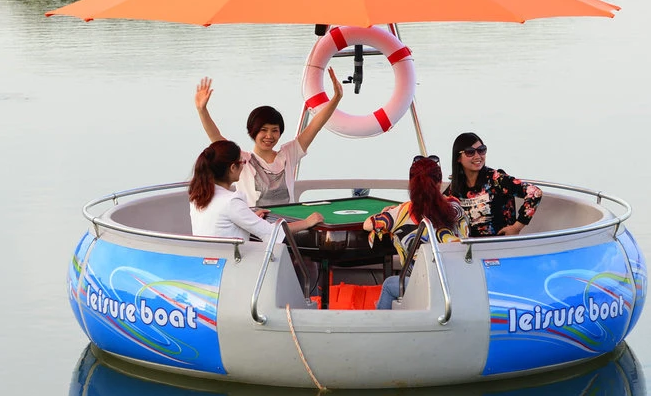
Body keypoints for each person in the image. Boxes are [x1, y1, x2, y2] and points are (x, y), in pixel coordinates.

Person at [194, 70, 344, 208]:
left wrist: (336, 98)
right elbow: (216, 138)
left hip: (287, 225)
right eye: (263, 130)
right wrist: (202, 110)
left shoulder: (289, 154)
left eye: (275, 131)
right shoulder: (242, 160)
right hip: (255, 227)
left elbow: (314, 126)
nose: (269, 136)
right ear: (252, 131)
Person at [363, 155, 469, 310]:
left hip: (422, 288)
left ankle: (381, 328)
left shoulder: (401, 213)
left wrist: (388, 213)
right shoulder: (456, 210)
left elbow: (368, 224)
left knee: (389, 284)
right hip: (455, 284)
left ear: (411, 184)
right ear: (439, 183)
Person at [189, 140, 323, 240]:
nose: (243, 167)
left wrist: (251, 217)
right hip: (233, 267)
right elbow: (272, 233)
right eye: (242, 163)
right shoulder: (231, 202)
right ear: (232, 168)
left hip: (208, 266)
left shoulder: (197, 197)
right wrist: (307, 222)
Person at [444, 132, 542, 237]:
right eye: (470, 152)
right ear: (458, 158)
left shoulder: (496, 180)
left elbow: (535, 192)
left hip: (500, 247)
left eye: (481, 150)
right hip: (471, 250)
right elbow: (438, 207)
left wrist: (516, 227)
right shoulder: (455, 187)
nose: (478, 156)